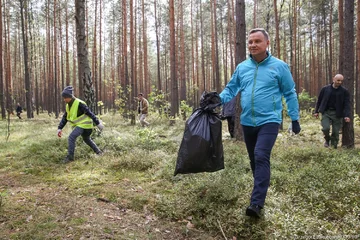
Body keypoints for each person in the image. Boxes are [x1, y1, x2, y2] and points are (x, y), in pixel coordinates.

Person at [219, 28, 301, 218]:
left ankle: (256, 203)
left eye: (257, 41)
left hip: (270, 120)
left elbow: (290, 92)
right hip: (247, 121)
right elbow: (231, 89)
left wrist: (294, 118)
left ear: (267, 43)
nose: (253, 45)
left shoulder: (279, 66)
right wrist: (217, 99)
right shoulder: (242, 67)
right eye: (250, 42)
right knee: (255, 160)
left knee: (261, 155)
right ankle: (261, 188)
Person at [57, 86, 104, 163]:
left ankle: (70, 158)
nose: (64, 99)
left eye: (65, 97)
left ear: (70, 97)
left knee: (71, 137)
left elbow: (89, 113)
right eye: (64, 98)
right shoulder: (68, 106)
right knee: (87, 139)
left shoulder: (79, 103)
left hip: (85, 125)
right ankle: (99, 152)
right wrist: (60, 128)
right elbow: (65, 117)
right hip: (81, 126)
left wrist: (98, 123)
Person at [314, 74, 351, 149]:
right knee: (325, 128)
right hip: (326, 112)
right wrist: (316, 111)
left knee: (335, 132)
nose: (339, 82)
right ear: (334, 79)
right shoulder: (325, 89)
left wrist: (347, 115)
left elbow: (347, 104)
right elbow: (319, 101)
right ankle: (327, 140)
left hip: (338, 114)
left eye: (341, 81)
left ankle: (334, 148)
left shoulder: (344, 91)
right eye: (338, 80)